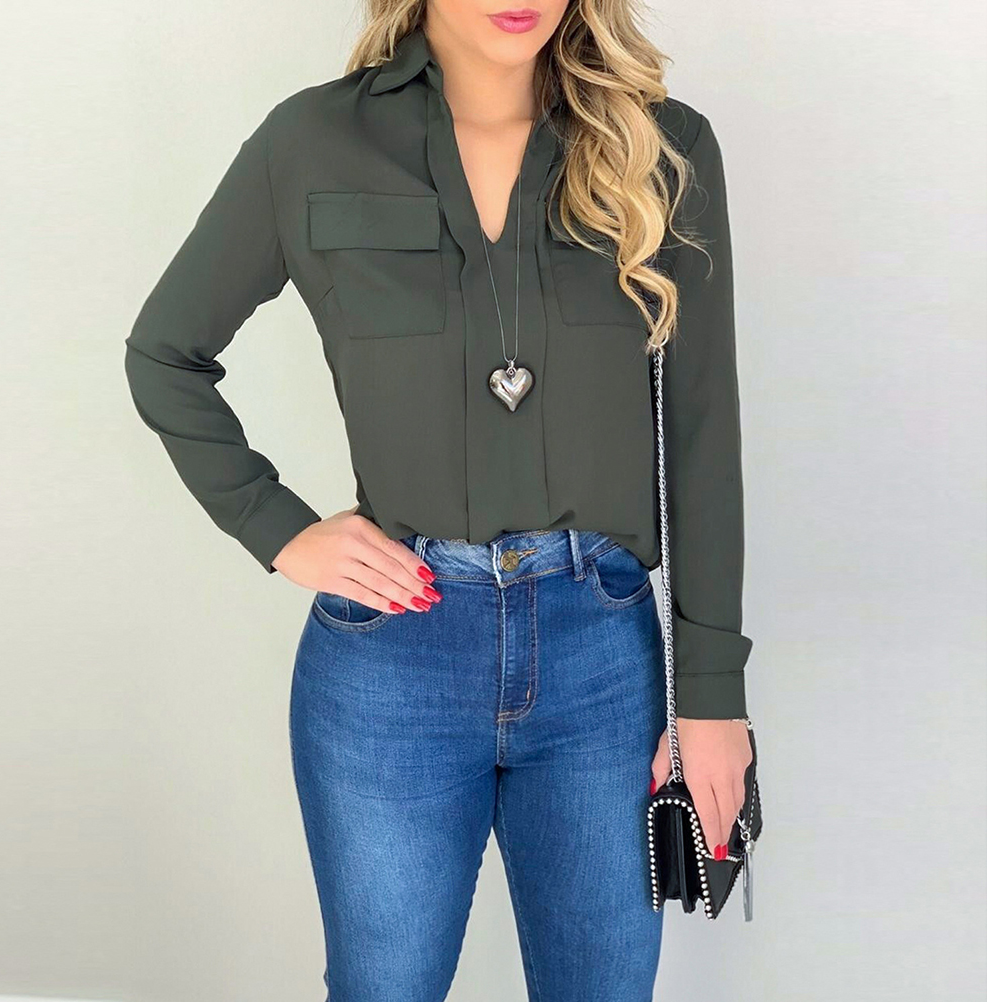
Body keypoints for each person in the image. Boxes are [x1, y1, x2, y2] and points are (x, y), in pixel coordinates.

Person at [124, 2, 754, 998]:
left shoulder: (664, 147)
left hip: (603, 659)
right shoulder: (311, 141)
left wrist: (712, 695)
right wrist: (279, 530)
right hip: (394, 660)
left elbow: (704, 430)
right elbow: (165, 354)